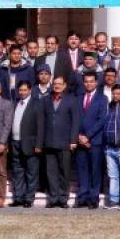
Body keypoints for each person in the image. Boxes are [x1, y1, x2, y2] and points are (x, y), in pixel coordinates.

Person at [42, 75, 80, 208]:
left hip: (65, 142)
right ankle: (53, 199)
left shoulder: (71, 100)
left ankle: (63, 198)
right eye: (55, 84)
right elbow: (42, 121)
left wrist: (73, 140)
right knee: (51, 172)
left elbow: (75, 121)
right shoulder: (46, 100)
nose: (57, 86)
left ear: (64, 86)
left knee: (64, 172)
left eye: (59, 84)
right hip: (49, 142)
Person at [9, 80, 44, 208]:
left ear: (30, 90)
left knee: (31, 172)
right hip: (15, 142)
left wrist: (39, 145)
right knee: (17, 171)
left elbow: (41, 126)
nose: (22, 92)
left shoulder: (37, 103)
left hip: (31, 144)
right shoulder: (15, 103)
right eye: (20, 90)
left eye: (25, 90)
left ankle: (28, 198)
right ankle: (18, 197)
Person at [74, 71, 107, 209]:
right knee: (82, 170)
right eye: (86, 81)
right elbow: (74, 119)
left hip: (95, 141)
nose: (88, 84)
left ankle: (93, 198)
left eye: (91, 81)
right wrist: (78, 136)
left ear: (96, 83)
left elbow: (102, 120)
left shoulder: (102, 98)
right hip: (80, 140)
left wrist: (87, 136)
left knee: (95, 171)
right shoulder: (78, 97)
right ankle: (82, 197)